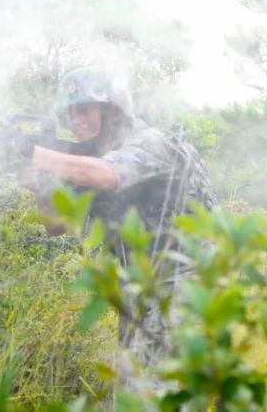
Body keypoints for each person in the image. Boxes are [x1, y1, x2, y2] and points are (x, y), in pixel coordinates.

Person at [28, 66, 216, 370]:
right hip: (141, 291)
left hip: (185, 286)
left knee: (161, 393)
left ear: (112, 110)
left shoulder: (152, 143)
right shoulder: (90, 161)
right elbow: (55, 225)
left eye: (85, 110)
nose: (76, 119)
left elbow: (109, 175)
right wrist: (41, 180)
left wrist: (37, 154)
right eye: (71, 112)